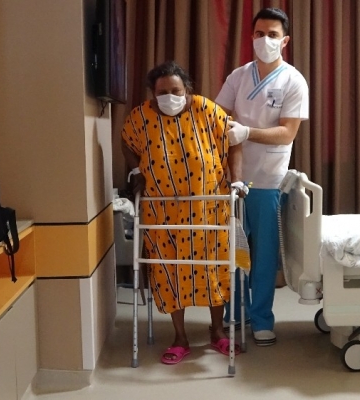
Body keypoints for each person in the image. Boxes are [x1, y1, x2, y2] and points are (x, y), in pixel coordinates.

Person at [121, 61, 247, 364]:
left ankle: (218, 331)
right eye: (162, 92)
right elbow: (126, 142)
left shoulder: (208, 110)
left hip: (208, 208)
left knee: (213, 269)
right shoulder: (140, 117)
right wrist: (136, 170)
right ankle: (180, 337)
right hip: (162, 212)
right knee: (170, 273)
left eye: (175, 91)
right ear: (153, 93)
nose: (169, 97)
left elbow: (234, 142)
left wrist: (237, 180)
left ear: (187, 89)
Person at [215, 7, 309, 346]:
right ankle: (235, 313)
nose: (264, 40)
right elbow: (219, 117)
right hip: (234, 178)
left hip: (268, 180)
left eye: (272, 34)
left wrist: (247, 132)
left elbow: (287, 133)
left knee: (265, 254)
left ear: (285, 41)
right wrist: (231, 134)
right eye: (259, 34)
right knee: (235, 249)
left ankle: (262, 319)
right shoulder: (238, 77)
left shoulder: (293, 81)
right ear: (251, 37)